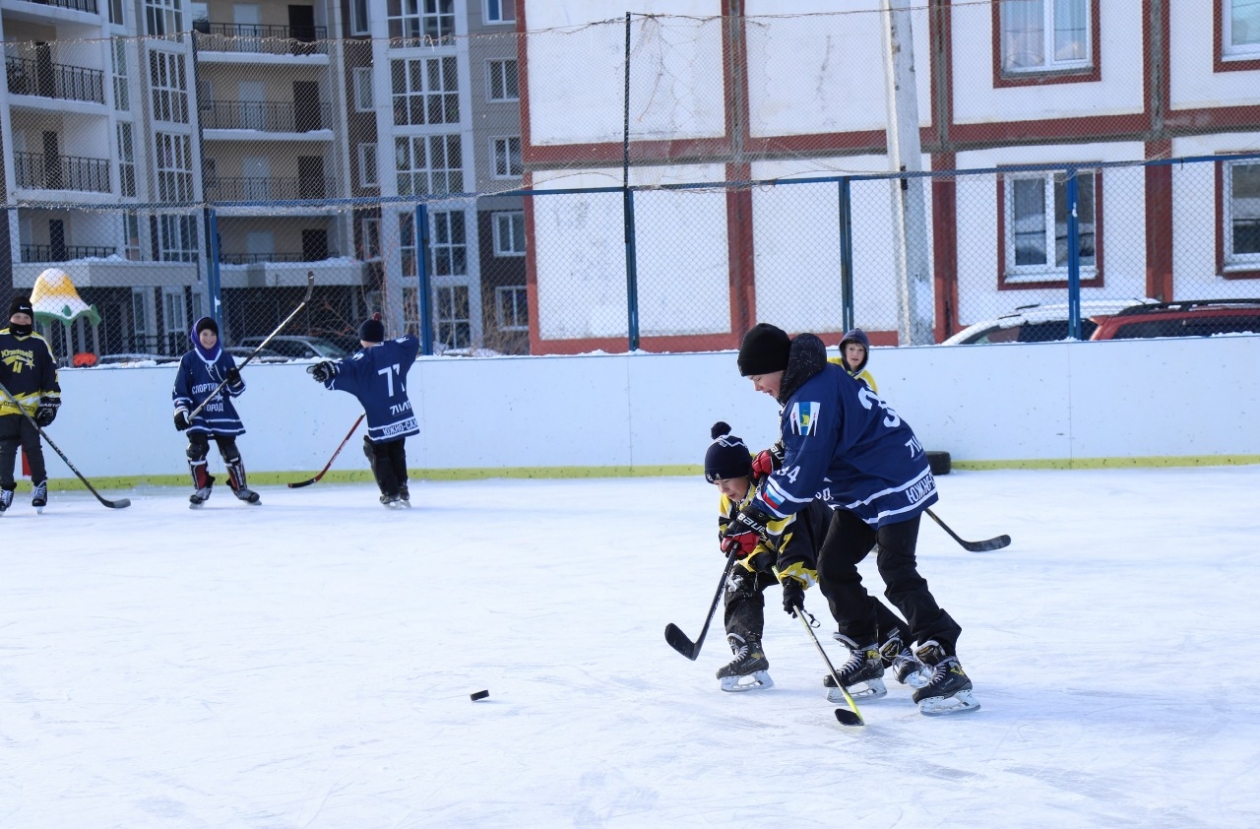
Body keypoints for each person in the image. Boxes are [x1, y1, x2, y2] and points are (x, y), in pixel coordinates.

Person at [724, 323, 978, 716]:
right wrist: (780, 452)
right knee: (832, 566)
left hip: (892, 480)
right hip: (864, 485)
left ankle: (946, 662)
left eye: (757, 377)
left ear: (777, 367)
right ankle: (867, 653)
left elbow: (803, 479)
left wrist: (754, 516)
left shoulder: (809, 399)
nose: (756, 387)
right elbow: (819, 439)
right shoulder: (813, 380)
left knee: (896, 568)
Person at [710, 421, 916, 698]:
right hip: (777, 550)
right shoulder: (731, 498)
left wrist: (793, 584)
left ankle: (895, 642)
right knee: (739, 578)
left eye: (727, 480)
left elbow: (797, 541)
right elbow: (731, 538)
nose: (723, 489)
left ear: (745, 471)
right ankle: (749, 651)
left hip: (819, 540)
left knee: (837, 586)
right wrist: (754, 556)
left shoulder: (778, 490)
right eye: (717, 482)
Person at [309, 315, 419, 508]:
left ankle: (390, 492)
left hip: (381, 415)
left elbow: (346, 367)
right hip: (401, 412)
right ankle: (402, 487)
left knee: (376, 449)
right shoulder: (397, 350)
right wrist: (385, 342)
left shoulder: (363, 358)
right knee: (396, 447)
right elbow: (412, 340)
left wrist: (330, 369)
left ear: (362, 338)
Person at [172, 317, 259, 508]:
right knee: (196, 449)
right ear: (197, 335)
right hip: (199, 414)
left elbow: (237, 391)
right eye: (205, 334)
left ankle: (241, 488)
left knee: (230, 450)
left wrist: (235, 379)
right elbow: (180, 389)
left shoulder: (225, 358)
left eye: (212, 334)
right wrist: (180, 410)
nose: (209, 338)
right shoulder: (189, 360)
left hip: (221, 411)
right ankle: (202, 488)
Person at [0, 295, 60, 514]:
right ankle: (6, 489)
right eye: (17, 316)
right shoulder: (1, 339)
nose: (21, 320)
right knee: (5, 449)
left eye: (26, 317)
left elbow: (50, 376)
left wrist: (50, 405)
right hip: (5, 407)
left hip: (30, 409)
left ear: (31, 320)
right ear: (10, 317)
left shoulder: (39, 344)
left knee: (32, 447)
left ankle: (39, 486)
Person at [827, 328, 877, 392]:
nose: (855, 354)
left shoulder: (868, 380)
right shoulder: (829, 365)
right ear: (844, 350)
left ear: (865, 354)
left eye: (860, 350)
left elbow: (874, 401)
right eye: (851, 349)